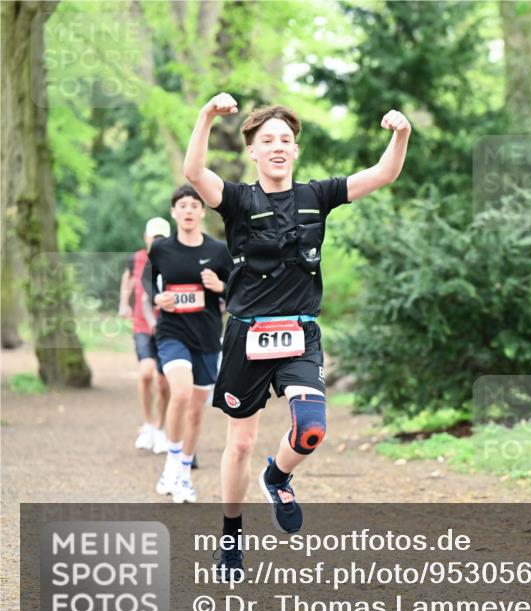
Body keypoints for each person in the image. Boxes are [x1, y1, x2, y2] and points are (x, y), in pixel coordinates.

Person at [183, 92, 409, 579]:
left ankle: (278, 475)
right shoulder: (240, 200)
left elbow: (384, 173)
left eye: (286, 139)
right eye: (268, 140)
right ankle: (231, 541)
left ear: (295, 149)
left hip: (300, 332)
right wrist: (205, 117)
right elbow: (195, 175)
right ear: (254, 152)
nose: (278, 146)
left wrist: (402, 134)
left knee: (311, 429)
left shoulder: (317, 195)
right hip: (247, 335)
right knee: (239, 444)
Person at [143, 185, 233, 503]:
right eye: (183, 205)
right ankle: (171, 463)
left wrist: (220, 285)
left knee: (196, 411)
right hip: (172, 333)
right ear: (174, 212)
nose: (189, 210)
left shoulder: (220, 251)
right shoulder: (161, 250)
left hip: (207, 338)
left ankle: (183, 471)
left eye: (195, 205)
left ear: (202, 212)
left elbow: (236, 292)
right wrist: (158, 297)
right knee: (180, 393)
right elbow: (147, 280)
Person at [118, 217, 172, 454]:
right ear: (146, 237)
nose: (157, 240)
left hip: (168, 326)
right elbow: (128, 280)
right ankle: (148, 425)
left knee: (163, 382)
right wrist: (123, 304)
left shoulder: (174, 257)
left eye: (161, 236)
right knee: (146, 372)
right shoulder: (137, 258)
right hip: (141, 324)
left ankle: (160, 428)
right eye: (153, 236)